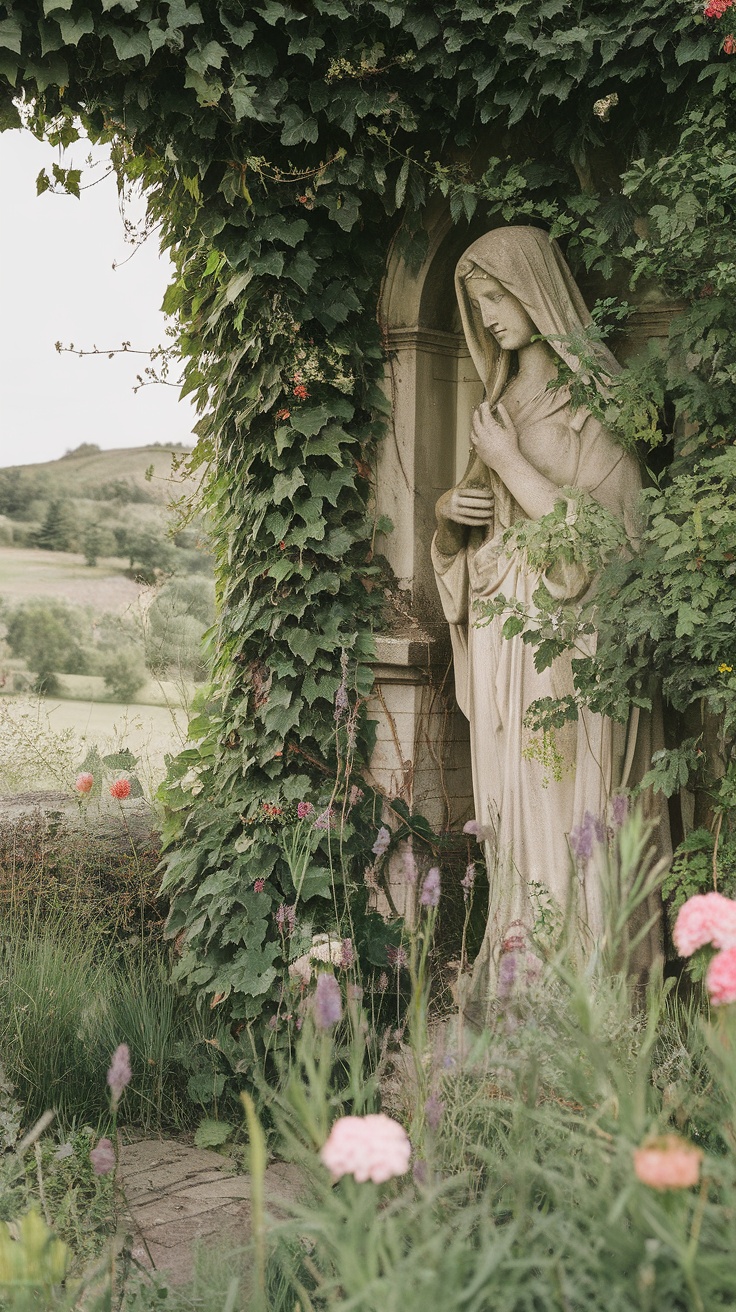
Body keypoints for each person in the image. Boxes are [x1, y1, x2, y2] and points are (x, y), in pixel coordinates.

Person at [432, 226, 665, 1014]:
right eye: (477, 304)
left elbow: (610, 543)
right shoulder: (495, 404)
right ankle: (520, 961)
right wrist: (445, 518)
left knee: (570, 796)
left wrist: (509, 465)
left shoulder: (593, 407)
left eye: (497, 295)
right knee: (514, 798)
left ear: (536, 288)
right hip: (504, 635)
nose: (490, 315)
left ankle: (585, 981)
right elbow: (476, 544)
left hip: (568, 641)